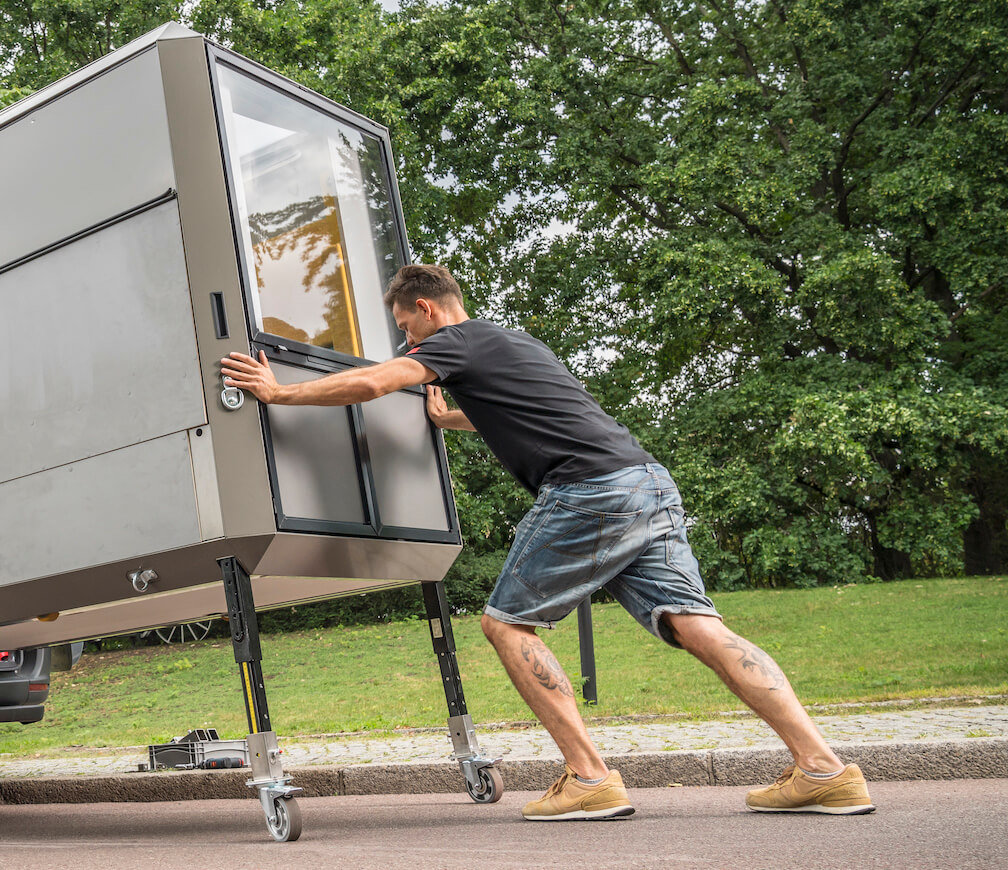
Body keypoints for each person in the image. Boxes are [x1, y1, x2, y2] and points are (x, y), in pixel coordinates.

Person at [218, 263, 874, 820]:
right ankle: (823, 767)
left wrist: (280, 393)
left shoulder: (454, 341)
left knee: (507, 625)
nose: (406, 341)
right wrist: (455, 418)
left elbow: (374, 382)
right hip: (645, 482)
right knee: (697, 624)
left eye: (406, 328)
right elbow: (535, 412)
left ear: (425, 308)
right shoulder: (514, 344)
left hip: (588, 490)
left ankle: (589, 778)